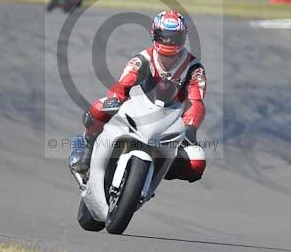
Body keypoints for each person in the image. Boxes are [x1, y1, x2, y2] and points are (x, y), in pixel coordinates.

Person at [70, 10, 207, 183]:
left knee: (196, 164)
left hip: (172, 123)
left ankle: (154, 174)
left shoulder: (194, 68)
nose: (169, 41)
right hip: (136, 108)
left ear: (183, 38)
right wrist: (116, 97)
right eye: (164, 36)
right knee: (97, 109)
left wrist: (190, 128)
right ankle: (86, 150)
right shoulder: (144, 58)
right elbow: (124, 82)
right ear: (154, 35)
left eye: (174, 37)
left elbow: (196, 101)